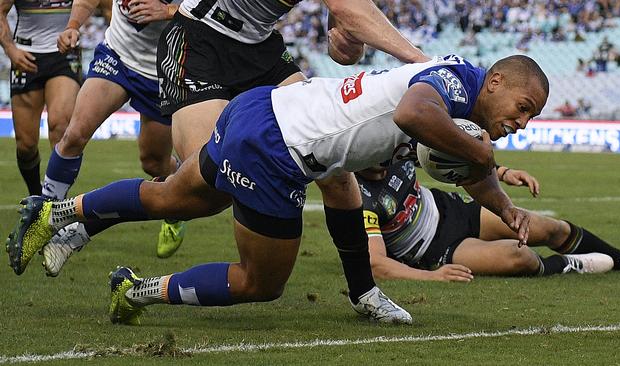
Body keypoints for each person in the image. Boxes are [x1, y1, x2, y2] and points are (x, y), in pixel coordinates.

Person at [6, 54, 549, 325]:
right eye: (523, 108)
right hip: (276, 150)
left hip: (264, 110)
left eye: (532, 118)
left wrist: (505, 206)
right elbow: (415, 113)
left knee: (178, 196)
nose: (521, 121)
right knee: (260, 283)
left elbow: (466, 164)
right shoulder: (454, 83)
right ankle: (137, 291)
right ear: (496, 83)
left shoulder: (460, 94)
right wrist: (482, 153)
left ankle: (56, 212)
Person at [45, 0, 430, 289]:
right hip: (199, 44)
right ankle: (78, 222)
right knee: (206, 187)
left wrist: (343, 37)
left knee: (335, 172)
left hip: (260, 50)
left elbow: (344, 32)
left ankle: (364, 292)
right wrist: (421, 62)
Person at [40, 0, 186, 265]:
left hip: (162, 71)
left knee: (154, 162)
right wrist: (72, 25)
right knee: (74, 135)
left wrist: (168, 11)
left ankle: (176, 207)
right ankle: (42, 218)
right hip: (116, 55)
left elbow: (216, 10)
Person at [355, 160, 620, 282]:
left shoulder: (397, 147)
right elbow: (375, 263)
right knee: (518, 255)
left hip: (453, 210)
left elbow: (451, 156)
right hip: (434, 250)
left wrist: (504, 173)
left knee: (549, 227)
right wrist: (433, 276)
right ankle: (566, 264)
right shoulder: (358, 197)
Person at [0, 0, 82, 196]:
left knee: (60, 125)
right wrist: (11, 50)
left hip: (64, 54)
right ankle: (36, 195)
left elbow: (105, 8)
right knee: (26, 145)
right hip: (25, 55)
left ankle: (55, 203)